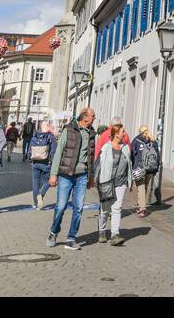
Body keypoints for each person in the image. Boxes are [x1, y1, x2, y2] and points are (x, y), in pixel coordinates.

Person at [48, 107, 96, 250]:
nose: (94, 118)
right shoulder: (69, 130)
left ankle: (71, 238)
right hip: (65, 175)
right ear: (85, 117)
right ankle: (53, 232)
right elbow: (59, 152)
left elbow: (92, 157)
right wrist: (53, 174)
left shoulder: (92, 133)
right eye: (93, 116)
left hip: (82, 176)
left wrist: (91, 176)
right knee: (61, 206)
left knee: (79, 207)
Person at [95, 121, 134, 245]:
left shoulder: (126, 148)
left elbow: (130, 164)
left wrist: (130, 180)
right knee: (105, 209)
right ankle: (101, 231)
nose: (125, 133)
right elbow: (98, 165)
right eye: (123, 131)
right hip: (107, 182)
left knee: (117, 208)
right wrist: (96, 181)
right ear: (116, 134)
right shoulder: (106, 148)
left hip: (121, 182)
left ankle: (115, 235)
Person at [131, 126, 159, 219]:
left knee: (141, 188)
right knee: (145, 187)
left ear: (140, 132)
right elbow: (157, 155)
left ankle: (142, 208)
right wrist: (156, 168)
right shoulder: (153, 140)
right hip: (150, 168)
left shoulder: (136, 140)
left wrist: (132, 166)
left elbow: (132, 154)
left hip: (139, 168)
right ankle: (141, 204)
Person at [28, 120, 57, 208]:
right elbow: (53, 152)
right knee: (48, 181)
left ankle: (36, 204)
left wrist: (30, 159)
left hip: (35, 163)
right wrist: (52, 163)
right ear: (47, 127)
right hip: (46, 163)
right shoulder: (51, 137)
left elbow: (29, 150)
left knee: (35, 182)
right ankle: (41, 194)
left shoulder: (34, 137)